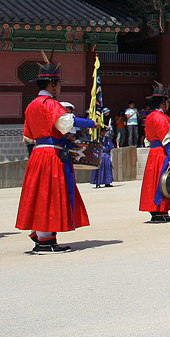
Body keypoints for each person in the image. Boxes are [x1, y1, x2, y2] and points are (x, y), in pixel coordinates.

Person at [16, 60, 90, 253]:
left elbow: (29, 135)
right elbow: (66, 123)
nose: (59, 89)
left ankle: (41, 235)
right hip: (51, 155)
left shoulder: (31, 106)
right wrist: (90, 123)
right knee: (49, 194)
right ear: (52, 85)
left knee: (40, 193)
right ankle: (45, 240)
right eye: (58, 85)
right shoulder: (50, 104)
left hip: (38, 153)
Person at [139, 82, 170, 223]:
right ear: (163, 103)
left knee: (153, 182)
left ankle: (156, 211)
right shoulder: (163, 118)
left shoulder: (149, 117)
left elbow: (148, 138)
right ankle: (162, 210)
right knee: (165, 181)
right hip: (162, 153)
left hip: (153, 152)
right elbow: (167, 139)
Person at [90, 120, 115, 188]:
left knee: (107, 167)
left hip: (106, 154)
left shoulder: (107, 139)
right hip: (99, 154)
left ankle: (107, 182)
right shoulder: (97, 139)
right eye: (103, 132)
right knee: (98, 168)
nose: (104, 133)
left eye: (105, 132)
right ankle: (98, 182)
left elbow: (111, 146)